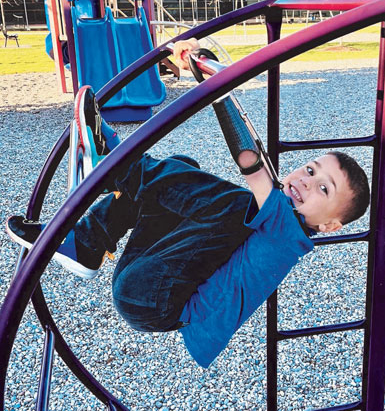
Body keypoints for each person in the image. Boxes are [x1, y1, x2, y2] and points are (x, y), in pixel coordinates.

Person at [6, 40, 370, 368]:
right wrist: (206, 70)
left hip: (153, 298)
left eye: (324, 189)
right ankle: (88, 241)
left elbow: (250, 159)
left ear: (329, 226)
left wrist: (210, 80)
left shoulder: (286, 235)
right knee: (183, 166)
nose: (306, 181)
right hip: (147, 280)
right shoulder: (275, 212)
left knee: (236, 207)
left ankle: (114, 165)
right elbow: (256, 159)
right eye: (310, 169)